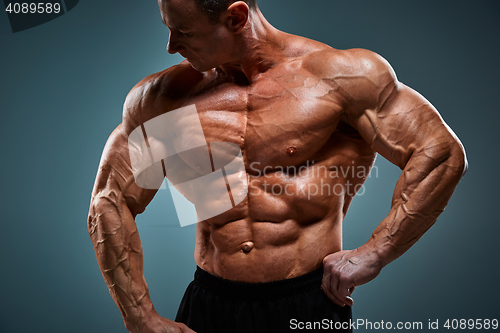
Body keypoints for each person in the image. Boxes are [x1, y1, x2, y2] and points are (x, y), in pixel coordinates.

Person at [87, 0, 468, 332]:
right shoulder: (164, 99)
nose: (171, 47)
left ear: (236, 17)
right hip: (209, 302)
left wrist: (376, 251)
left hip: (307, 302)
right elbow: (110, 201)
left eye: (183, 32)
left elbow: (440, 153)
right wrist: (140, 318)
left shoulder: (340, 78)